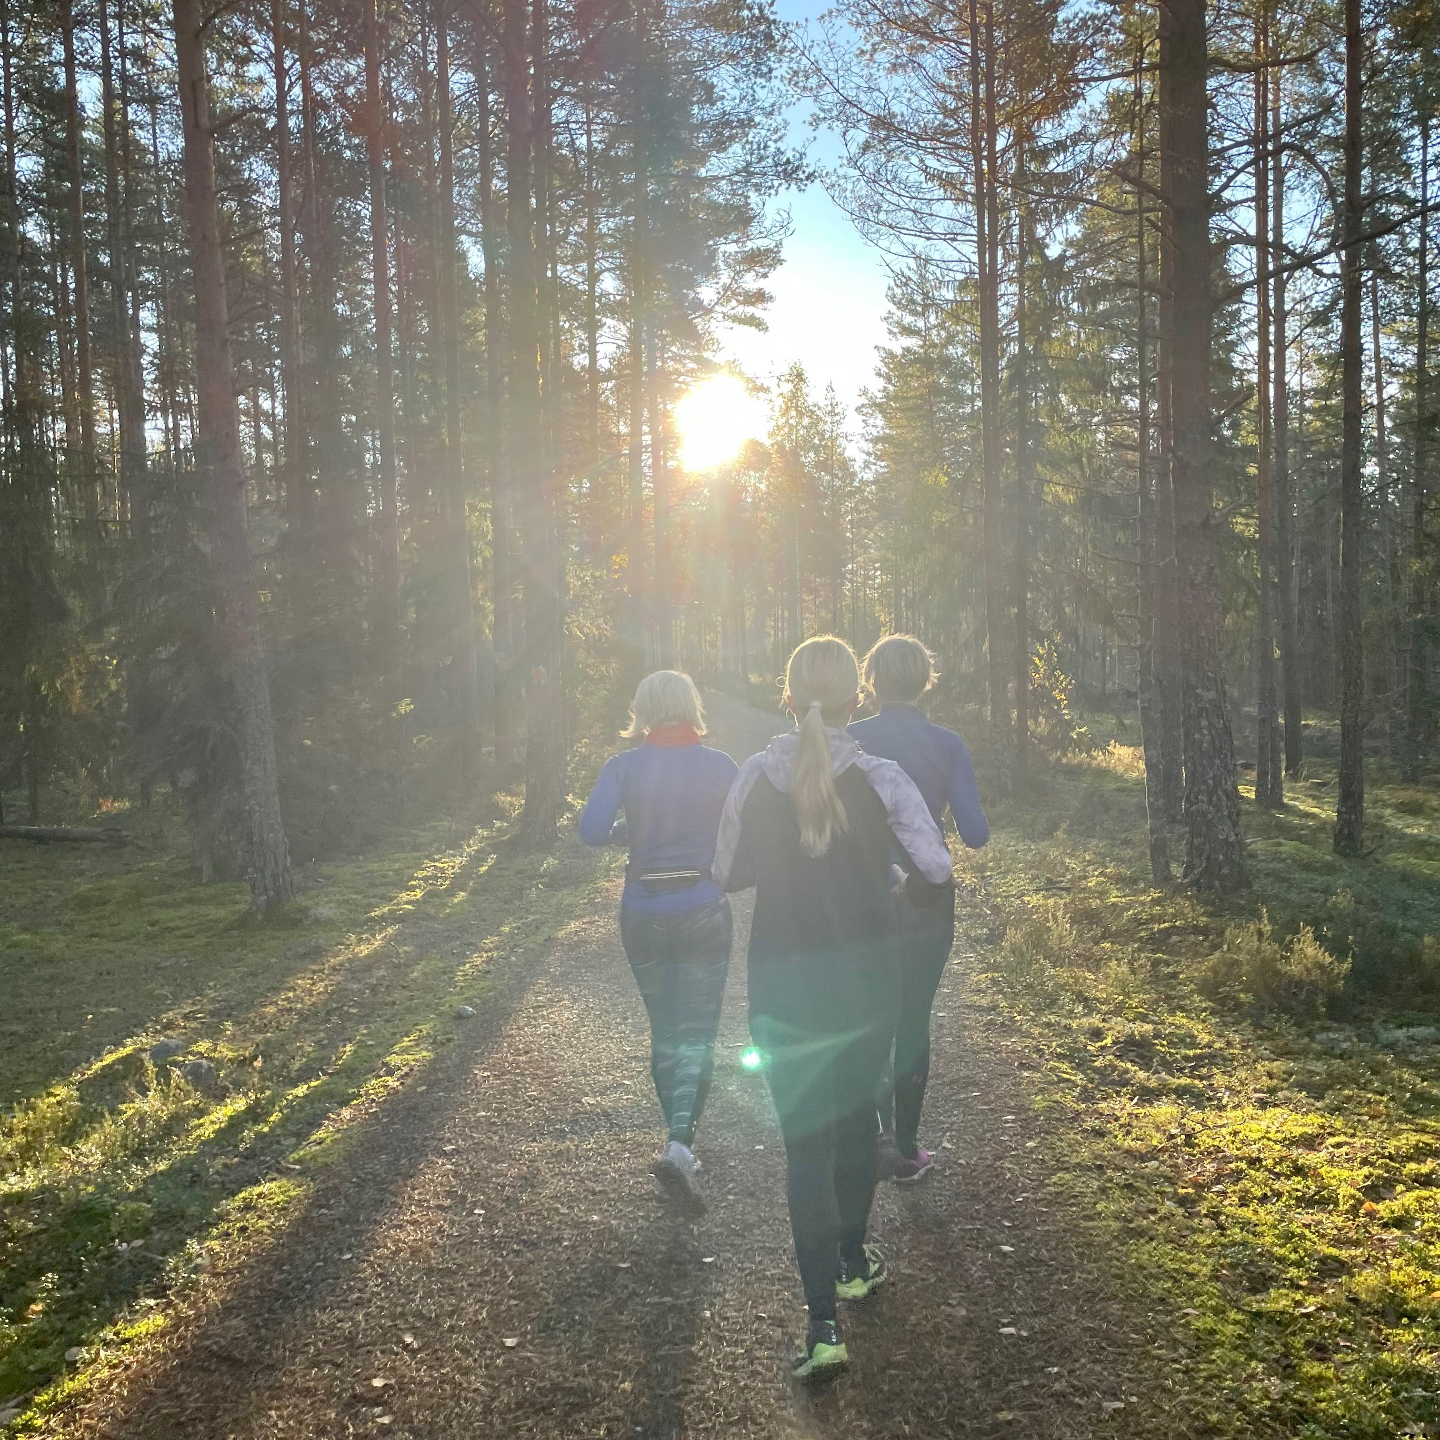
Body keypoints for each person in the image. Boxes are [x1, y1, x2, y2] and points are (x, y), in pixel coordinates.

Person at [713, 636, 952, 1382]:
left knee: (805, 1149)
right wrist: (896, 892)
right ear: (860, 697)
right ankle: (853, 1259)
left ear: (787, 697)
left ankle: (822, 1324)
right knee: (856, 1131)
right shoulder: (881, 778)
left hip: (783, 994)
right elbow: (937, 868)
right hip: (868, 987)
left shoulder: (756, 776)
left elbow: (723, 872)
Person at [579, 670, 739, 1213]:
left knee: (666, 1027)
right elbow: (743, 836)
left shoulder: (622, 767)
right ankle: (679, 1144)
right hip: (701, 906)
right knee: (698, 1030)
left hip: (642, 910)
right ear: (692, 708)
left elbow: (590, 831)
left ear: (642, 709)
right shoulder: (721, 766)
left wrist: (634, 833)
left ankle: (676, 1139)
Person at [849, 635, 989, 1183]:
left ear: (872, 681)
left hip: (860, 897)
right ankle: (907, 1150)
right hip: (929, 899)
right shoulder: (947, 743)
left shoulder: (851, 740)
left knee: (867, 1017)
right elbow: (975, 834)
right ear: (924, 680)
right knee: (911, 1020)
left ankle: (872, 1137)